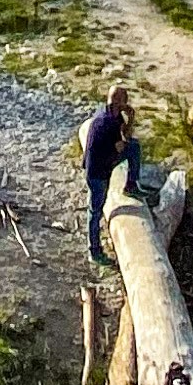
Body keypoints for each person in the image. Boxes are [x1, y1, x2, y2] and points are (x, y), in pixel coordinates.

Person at [79, 82, 142, 262]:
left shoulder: (112, 115)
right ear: (119, 102)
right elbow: (121, 144)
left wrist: (130, 120)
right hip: (98, 172)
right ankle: (94, 250)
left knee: (134, 147)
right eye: (125, 99)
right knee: (95, 210)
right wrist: (129, 122)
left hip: (104, 161)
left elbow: (126, 139)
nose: (128, 102)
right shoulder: (107, 123)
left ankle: (131, 184)